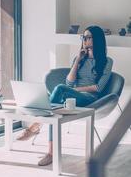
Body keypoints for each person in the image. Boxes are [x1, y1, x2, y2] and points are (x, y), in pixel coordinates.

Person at [17, 25, 113, 166]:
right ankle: (51, 152)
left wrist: (75, 90)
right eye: (83, 37)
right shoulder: (79, 58)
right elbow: (69, 82)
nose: (85, 40)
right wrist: (77, 61)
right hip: (71, 97)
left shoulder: (107, 61)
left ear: (97, 40)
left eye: (88, 37)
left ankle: (35, 126)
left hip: (89, 98)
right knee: (52, 113)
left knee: (59, 90)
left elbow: (98, 88)